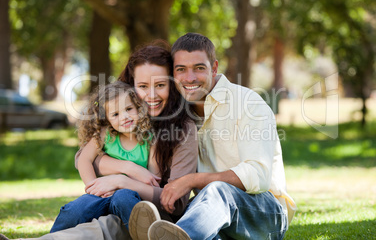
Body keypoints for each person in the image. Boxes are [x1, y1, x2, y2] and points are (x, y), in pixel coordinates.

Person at [0, 44, 198, 240]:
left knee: (105, 225)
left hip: (147, 211)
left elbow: (173, 200)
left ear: (172, 86)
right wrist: (124, 169)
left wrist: (121, 180)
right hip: (106, 198)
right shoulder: (112, 127)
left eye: (160, 85)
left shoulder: (177, 131)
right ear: (131, 87)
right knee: (77, 211)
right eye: (143, 86)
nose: (151, 95)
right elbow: (83, 158)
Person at [143, 33, 297, 240]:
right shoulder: (175, 114)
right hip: (211, 217)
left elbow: (258, 175)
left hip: (264, 214)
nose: (189, 78)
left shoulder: (247, 103)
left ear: (214, 68)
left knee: (218, 191)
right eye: (181, 70)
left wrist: (193, 180)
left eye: (199, 68)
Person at [49, 81, 158, 233]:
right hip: (102, 193)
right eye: (115, 114)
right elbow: (84, 160)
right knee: (76, 209)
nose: (124, 117)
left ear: (138, 108)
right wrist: (93, 186)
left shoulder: (149, 139)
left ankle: (145, 235)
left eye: (129, 109)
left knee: (124, 198)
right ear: (107, 119)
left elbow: (153, 180)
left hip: (131, 194)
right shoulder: (105, 135)